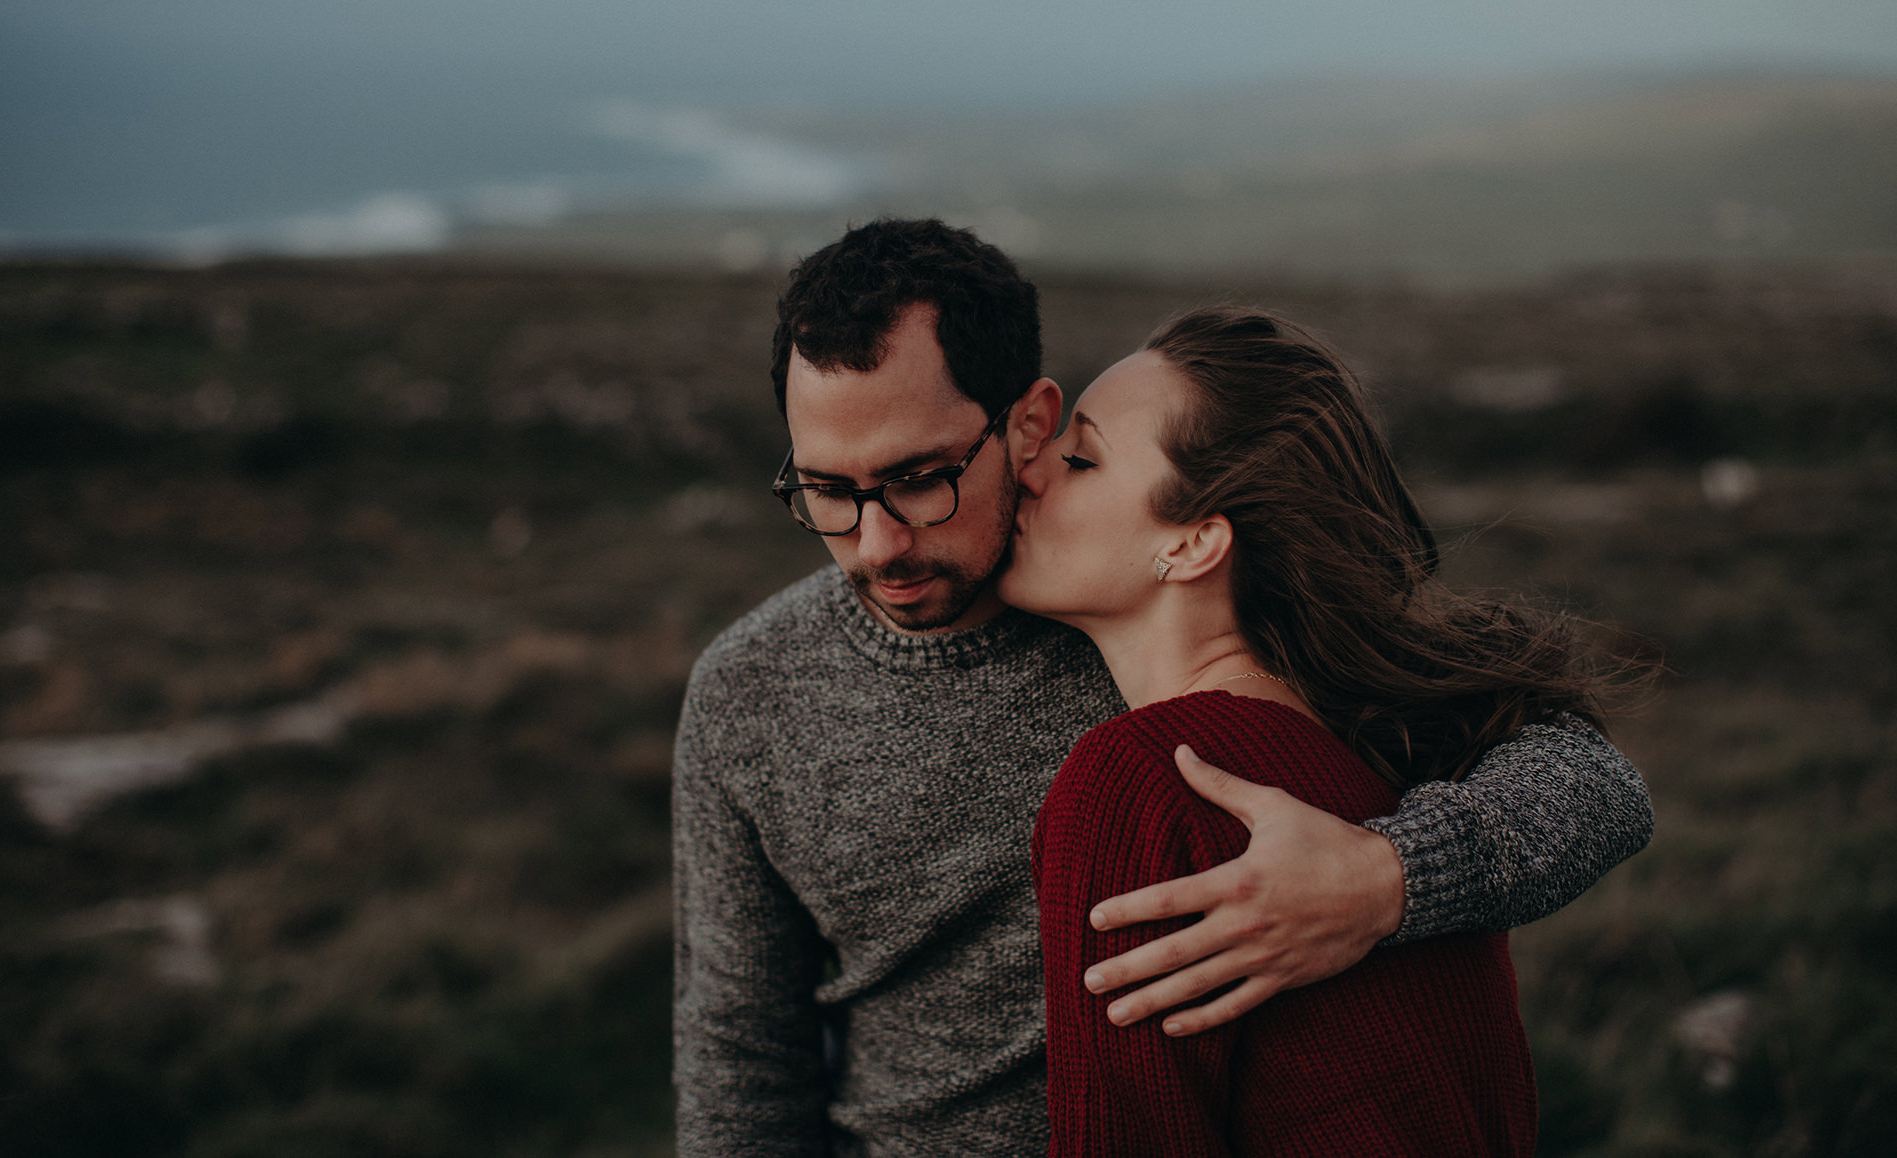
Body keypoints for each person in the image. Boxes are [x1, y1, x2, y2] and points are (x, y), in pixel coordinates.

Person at [671, 218, 1652, 1157]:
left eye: (919, 477)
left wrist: (1384, 878)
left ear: (1027, 426)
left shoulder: (1186, 635)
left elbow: (1594, 783)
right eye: (827, 492)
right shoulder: (747, 689)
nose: (877, 541)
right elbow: (740, 1049)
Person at [1008, 306, 1613, 1154]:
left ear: (1192, 545)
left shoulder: (1140, 783)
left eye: (1080, 457)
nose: (1029, 470)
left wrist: (1390, 876)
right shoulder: (1386, 757)